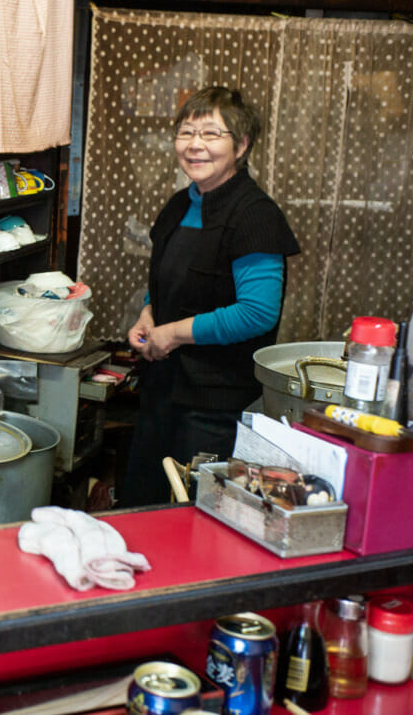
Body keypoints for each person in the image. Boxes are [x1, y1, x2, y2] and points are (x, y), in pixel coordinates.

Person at [120, 86, 300, 507]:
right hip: (161, 388)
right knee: (142, 504)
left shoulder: (255, 215)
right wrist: (148, 315)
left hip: (214, 404)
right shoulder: (180, 204)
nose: (195, 145)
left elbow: (257, 313)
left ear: (241, 145)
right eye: (186, 132)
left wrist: (174, 334)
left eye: (211, 134)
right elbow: (166, 277)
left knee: (190, 513)